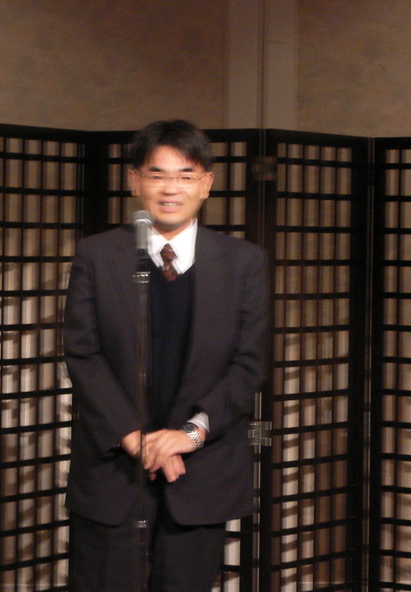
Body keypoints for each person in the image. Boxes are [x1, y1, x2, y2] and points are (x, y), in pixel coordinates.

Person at [63, 119, 270, 592]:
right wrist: (136, 439)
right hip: (113, 467)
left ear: (206, 184)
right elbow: (82, 354)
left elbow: (250, 363)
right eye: (157, 175)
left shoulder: (244, 262)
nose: (171, 188)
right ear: (134, 180)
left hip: (201, 468)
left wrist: (188, 436)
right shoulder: (97, 255)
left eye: (185, 175)